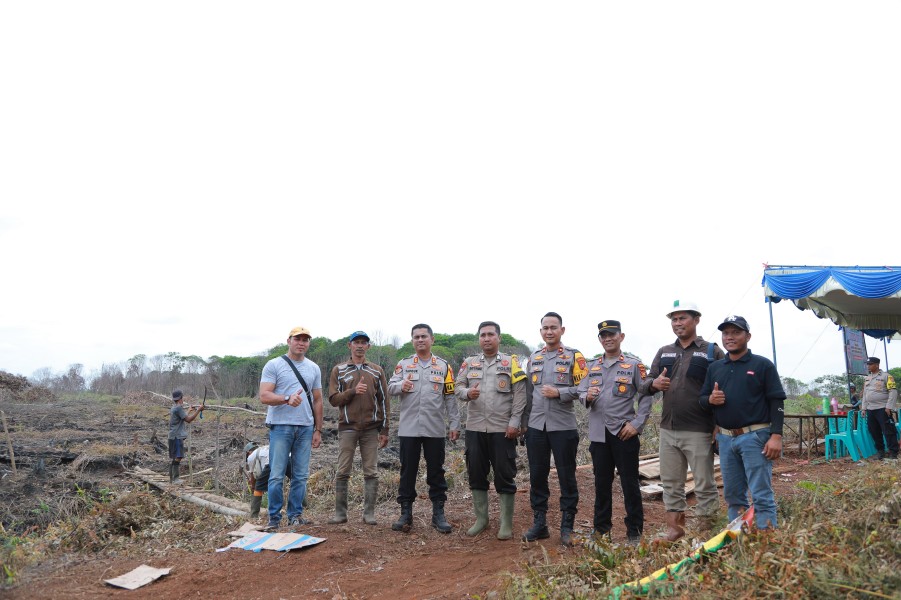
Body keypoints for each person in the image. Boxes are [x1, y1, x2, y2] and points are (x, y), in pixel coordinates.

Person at [640, 300, 725, 542]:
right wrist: (654, 384)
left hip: (699, 429)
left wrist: (718, 426)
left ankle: (707, 533)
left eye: (683, 318)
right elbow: (645, 383)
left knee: (704, 483)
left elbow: (722, 392)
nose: (678, 323)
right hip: (669, 429)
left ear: (696, 319)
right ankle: (675, 530)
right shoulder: (664, 351)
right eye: (674, 319)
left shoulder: (711, 351)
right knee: (671, 483)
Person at [699, 315, 786, 530]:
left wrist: (776, 436)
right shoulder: (715, 368)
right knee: (733, 495)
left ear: (747, 336)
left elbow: (776, 400)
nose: (730, 337)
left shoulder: (762, 365)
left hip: (755, 437)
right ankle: (738, 540)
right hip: (726, 439)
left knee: (761, 493)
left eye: (736, 332)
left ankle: (767, 540)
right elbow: (702, 400)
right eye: (726, 333)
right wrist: (710, 399)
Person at [578, 320, 653, 546]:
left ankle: (635, 532)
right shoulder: (591, 366)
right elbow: (581, 390)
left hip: (624, 432)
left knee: (629, 483)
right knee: (602, 484)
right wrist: (586, 397)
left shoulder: (633, 365)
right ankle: (601, 531)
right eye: (603, 336)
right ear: (600, 339)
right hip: (599, 434)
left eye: (612, 335)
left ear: (621, 337)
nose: (608, 339)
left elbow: (647, 394)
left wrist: (637, 424)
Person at [455, 321, 527, 540]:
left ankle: (505, 523)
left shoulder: (511, 362)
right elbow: (457, 388)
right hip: (475, 428)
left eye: (490, 334)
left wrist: (515, 422)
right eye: (482, 335)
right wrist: (468, 393)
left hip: (502, 429)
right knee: (476, 473)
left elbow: (520, 394)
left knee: (505, 475)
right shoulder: (469, 363)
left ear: (499, 337)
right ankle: (482, 519)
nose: (486, 338)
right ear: (479, 339)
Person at [523, 312, 588, 546]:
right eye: (545, 328)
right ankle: (540, 524)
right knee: (537, 477)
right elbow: (529, 395)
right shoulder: (533, 358)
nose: (549, 331)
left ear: (562, 330)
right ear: (541, 331)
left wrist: (560, 392)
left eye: (553, 327)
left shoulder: (574, 356)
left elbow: (584, 388)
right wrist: (524, 425)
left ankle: (567, 527)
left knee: (566, 477)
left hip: (563, 427)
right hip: (536, 427)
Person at [387, 324, 460, 533]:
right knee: (407, 471)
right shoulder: (404, 364)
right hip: (409, 429)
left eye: (424, 336)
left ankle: (438, 514)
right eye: (416, 337)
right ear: (412, 340)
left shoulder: (444, 367)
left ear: (432, 339)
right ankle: (405, 514)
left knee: (436, 471)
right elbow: (391, 387)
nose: (420, 340)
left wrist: (454, 424)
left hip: (434, 429)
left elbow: (450, 397)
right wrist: (402, 386)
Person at [259, 326, 324, 530]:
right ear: (289, 341)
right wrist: (287, 398)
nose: (301, 343)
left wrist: (318, 430)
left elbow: (318, 399)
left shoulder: (313, 368)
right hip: (281, 427)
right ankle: (274, 518)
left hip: (305, 428)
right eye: (297, 339)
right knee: (277, 474)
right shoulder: (274, 365)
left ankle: (295, 515)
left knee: (300, 475)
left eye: (305, 340)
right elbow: (264, 396)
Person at [327, 331, 390, 525]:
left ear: (368, 347)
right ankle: (340, 514)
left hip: (371, 429)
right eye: (357, 342)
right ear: (350, 346)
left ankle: (368, 514)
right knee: (343, 470)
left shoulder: (376, 370)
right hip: (347, 428)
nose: (360, 346)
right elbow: (333, 399)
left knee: (371, 471)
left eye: (364, 343)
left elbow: (384, 401)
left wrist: (385, 430)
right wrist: (353, 391)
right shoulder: (339, 370)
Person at [862, 356, 899, 460]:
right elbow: (865, 394)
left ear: (877, 365)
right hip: (870, 409)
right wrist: (864, 408)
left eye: (870, 364)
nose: (868, 366)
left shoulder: (887, 376)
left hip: (883, 408)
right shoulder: (867, 378)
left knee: (888, 431)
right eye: (867, 364)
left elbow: (893, 391)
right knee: (874, 431)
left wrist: (889, 406)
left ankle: (893, 452)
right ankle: (880, 452)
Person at [168, 390, 203, 484]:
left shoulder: (174, 407)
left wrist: (188, 410)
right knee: (178, 456)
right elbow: (188, 420)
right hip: (176, 436)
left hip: (173, 435)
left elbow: (182, 417)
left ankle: (172, 479)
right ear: (180, 398)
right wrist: (198, 410)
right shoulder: (178, 408)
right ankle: (175, 479)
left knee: (175, 456)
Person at [244, 442, 269, 519]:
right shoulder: (264, 449)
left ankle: (253, 516)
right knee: (296, 481)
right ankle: (305, 506)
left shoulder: (251, 456)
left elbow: (252, 475)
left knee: (258, 488)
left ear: (249, 452)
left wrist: (253, 486)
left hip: (270, 464)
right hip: (287, 459)